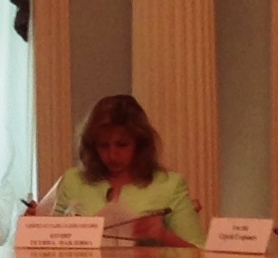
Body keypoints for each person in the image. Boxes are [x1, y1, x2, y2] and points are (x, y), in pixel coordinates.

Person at [36, 95, 205, 247]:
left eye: (122, 145)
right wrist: (34, 226)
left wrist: (164, 235)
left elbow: (200, 254)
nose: (112, 154)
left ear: (140, 144)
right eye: (103, 146)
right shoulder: (73, 181)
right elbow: (48, 245)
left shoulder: (170, 185)